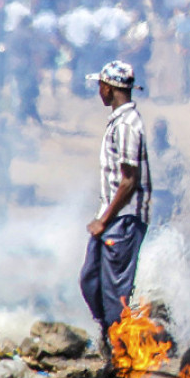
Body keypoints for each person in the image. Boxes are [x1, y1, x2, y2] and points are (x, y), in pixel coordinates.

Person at [79, 60, 152, 360]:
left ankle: (123, 358)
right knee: (90, 279)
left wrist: (103, 219)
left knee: (114, 294)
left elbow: (129, 181)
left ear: (108, 89)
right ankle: (110, 338)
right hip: (111, 219)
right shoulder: (119, 122)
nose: (99, 91)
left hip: (122, 221)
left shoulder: (126, 126)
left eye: (100, 86)